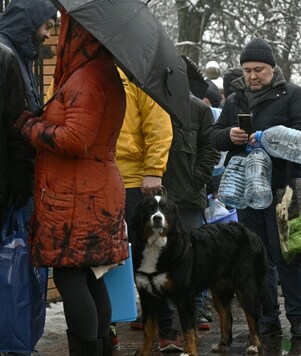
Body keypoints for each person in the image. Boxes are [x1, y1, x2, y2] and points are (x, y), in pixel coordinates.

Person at [15, 7, 126, 355]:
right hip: (91, 188)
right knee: (90, 275)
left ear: (79, 35)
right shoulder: (101, 72)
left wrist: (30, 127)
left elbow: (73, 139)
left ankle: (87, 350)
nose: (58, 37)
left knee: (70, 275)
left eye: (63, 30)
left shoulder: (88, 77)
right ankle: (100, 348)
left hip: (79, 194)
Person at [208, 38, 301, 339]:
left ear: (272, 68)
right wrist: (229, 135)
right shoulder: (234, 100)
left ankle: (298, 318)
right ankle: (268, 317)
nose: (252, 76)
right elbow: (214, 137)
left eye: (259, 70)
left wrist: (270, 138)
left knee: (287, 254)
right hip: (247, 192)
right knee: (258, 258)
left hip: (283, 188)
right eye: (247, 70)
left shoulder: (292, 94)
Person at [113, 69, 182, 351]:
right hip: (91, 178)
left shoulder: (132, 71)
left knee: (149, 257)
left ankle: (167, 330)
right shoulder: (75, 67)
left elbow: (158, 122)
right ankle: (105, 327)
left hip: (131, 179)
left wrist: (153, 170)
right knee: (99, 258)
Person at [162, 70, 221, 334]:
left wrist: (197, 178)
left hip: (188, 195)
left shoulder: (199, 109)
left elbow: (211, 149)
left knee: (192, 253)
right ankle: (161, 307)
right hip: (158, 194)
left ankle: (196, 305)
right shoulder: (153, 103)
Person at [0, 0, 56, 225]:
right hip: (10, 184)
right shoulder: (5, 57)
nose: (48, 35)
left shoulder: (22, 58)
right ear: (30, 23)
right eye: (47, 26)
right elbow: (12, 124)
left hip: (17, 181)